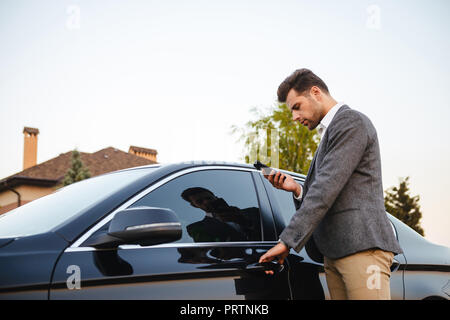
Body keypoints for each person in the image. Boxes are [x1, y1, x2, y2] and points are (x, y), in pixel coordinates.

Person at [259, 68, 403, 300]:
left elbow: (325, 188)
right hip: (335, 253)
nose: (295, 117)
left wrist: (287, 241)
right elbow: (329, 190)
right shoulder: (330, 133)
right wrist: (297, 190)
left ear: (315, 92)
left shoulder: (351, 123)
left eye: (296, 107)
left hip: (362, 249)